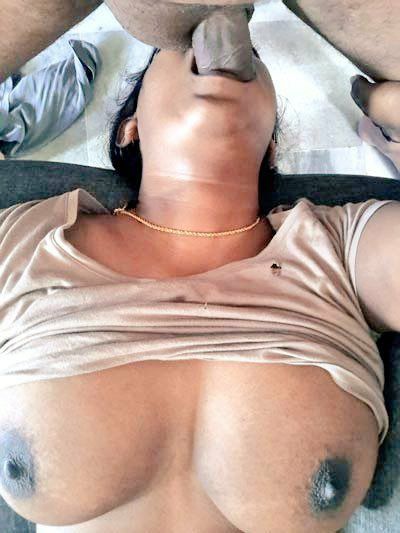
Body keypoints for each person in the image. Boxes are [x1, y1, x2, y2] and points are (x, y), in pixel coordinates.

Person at [0, 2, 400, 533]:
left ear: (270, 147)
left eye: (252, 58)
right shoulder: (25, 240)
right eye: (178, 46)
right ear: (131, 129)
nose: (222, 55)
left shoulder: (340, 251)